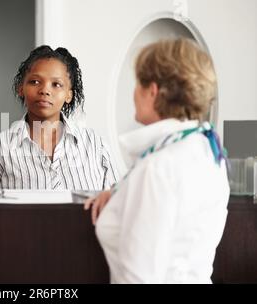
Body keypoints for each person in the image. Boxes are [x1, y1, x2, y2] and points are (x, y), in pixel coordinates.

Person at [84, 38, 230, 283]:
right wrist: (124, 194)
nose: (133, 93)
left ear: (152, 91)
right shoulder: (208, 152)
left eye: (137, 83)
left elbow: (138, 277)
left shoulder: (157, 168)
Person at [0, 45, 117, 191]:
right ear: (21, 88)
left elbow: (115, 206)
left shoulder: (96, 146)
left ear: (69, 95)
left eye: (56, 84)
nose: (45, 90)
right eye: (35, 82)